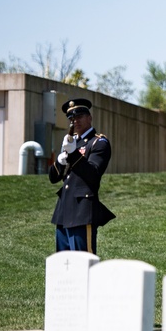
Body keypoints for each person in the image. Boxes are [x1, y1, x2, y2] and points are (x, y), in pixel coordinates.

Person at [48, 97, 115, 254]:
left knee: (84, 262)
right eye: (71, 118)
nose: (74, 121)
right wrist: (59, 161)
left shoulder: (98, 143)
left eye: (79, 116)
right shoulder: (71, 143)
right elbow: (53, 178)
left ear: (89, 118)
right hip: (64, 210)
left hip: (82, 209)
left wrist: (73, 154)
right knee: (63, 264)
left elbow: (93, 174)